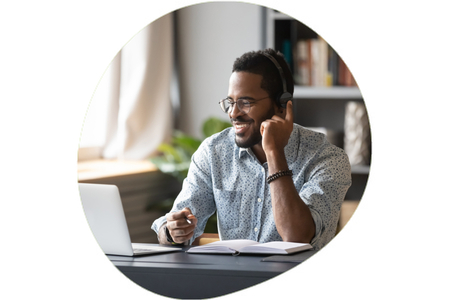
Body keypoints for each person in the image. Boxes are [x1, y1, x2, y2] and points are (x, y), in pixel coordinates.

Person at [151, 48, 351, 250]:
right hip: (234, 280)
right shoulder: (214, 152)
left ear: (282, 105)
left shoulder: (327, 159)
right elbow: (173, 225)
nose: (234, 113)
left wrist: (274, 152)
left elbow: (297, 236)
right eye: (230, 102)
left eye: (246, 102)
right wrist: (171, 231)